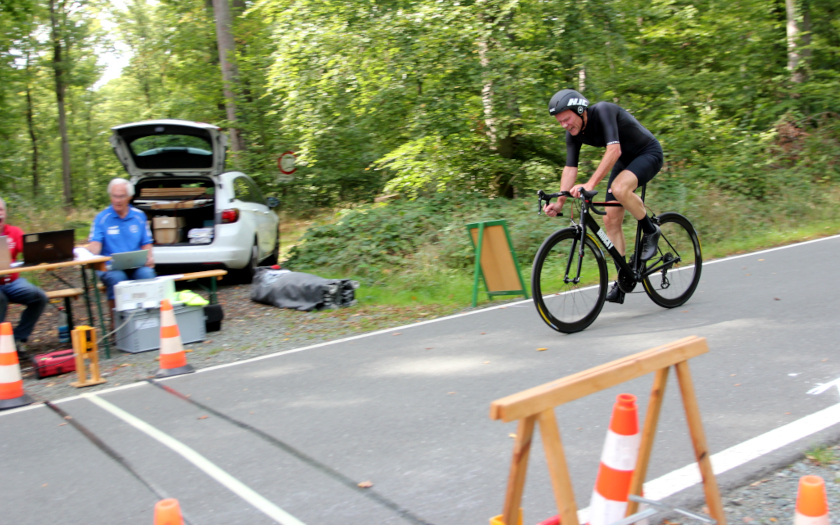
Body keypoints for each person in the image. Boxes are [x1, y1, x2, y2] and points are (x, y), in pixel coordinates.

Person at [543, 89, 664, 304]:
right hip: (625, 161)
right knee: (610, 219)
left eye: (567, 119)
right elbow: (570, 167)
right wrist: (560, 201)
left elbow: (614, 150)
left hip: (648, 153)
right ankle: (624, 277)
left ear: (580, 111)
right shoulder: (573, 134)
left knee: (619, 189)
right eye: (560, 121)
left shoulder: (604, 111)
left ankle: (650, 229)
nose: (564, 125)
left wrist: (589, 184)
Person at [88, 178, 155, 310]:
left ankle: (146, 319)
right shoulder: (102, 218)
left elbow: (146, 243)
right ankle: (117, 324)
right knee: (119, 279)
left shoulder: (139, 216)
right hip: (110, 268)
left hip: (136, 266)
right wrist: (92, 249)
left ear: (129, 197)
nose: (117, 200)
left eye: (121, 196)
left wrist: (149, 258)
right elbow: (94, 245)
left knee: (147, 275)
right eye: (114, 196)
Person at [0, 197, 48, 350]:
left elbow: (31, 253)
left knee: (40, 297)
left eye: (1, 210)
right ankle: (2, 345)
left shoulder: (14, 232)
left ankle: (17, 339)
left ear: (5, 213)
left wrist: (43, 253)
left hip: (13, 281)